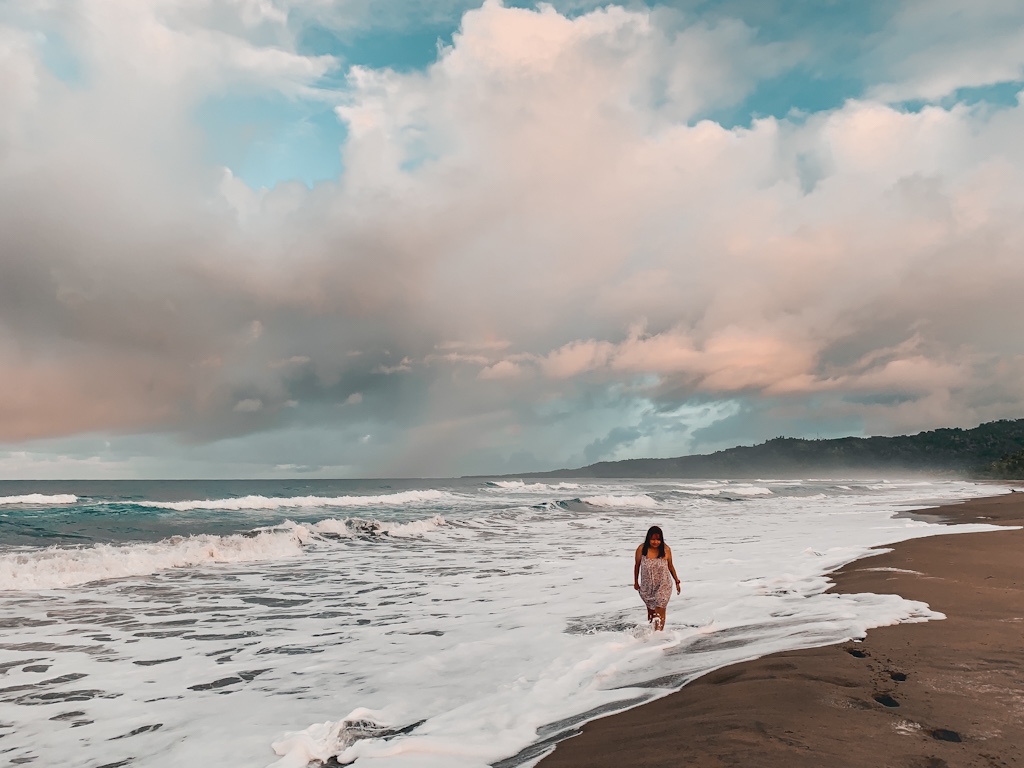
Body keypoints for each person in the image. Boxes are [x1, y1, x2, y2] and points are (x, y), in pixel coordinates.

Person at [633, 525, 680, 630]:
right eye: (653, 539)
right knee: (651, 611)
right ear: (648, 538)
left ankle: (659, 633)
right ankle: (653, 632)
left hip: (664, 584)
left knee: (660, 607)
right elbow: (637, 565)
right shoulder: (641, 549)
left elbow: (671, 566)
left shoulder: (666, 549)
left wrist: (677, 581)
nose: (655, 542)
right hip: (647, 586)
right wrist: (635, 582)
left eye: (658, 539)